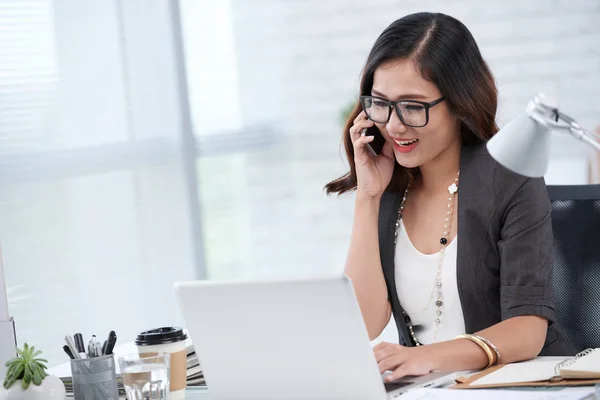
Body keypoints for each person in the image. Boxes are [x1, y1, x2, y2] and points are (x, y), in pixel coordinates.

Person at [325, 12, 575, 382]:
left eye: (413, 106)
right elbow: (363, 321)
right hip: (428, 389)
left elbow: (527, 330)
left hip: (519, 385)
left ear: (459, 102)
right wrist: (368, 197)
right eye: (380, 103)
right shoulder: (390, 185)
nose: (393, 125)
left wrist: (426, 358)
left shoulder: (511, 180)